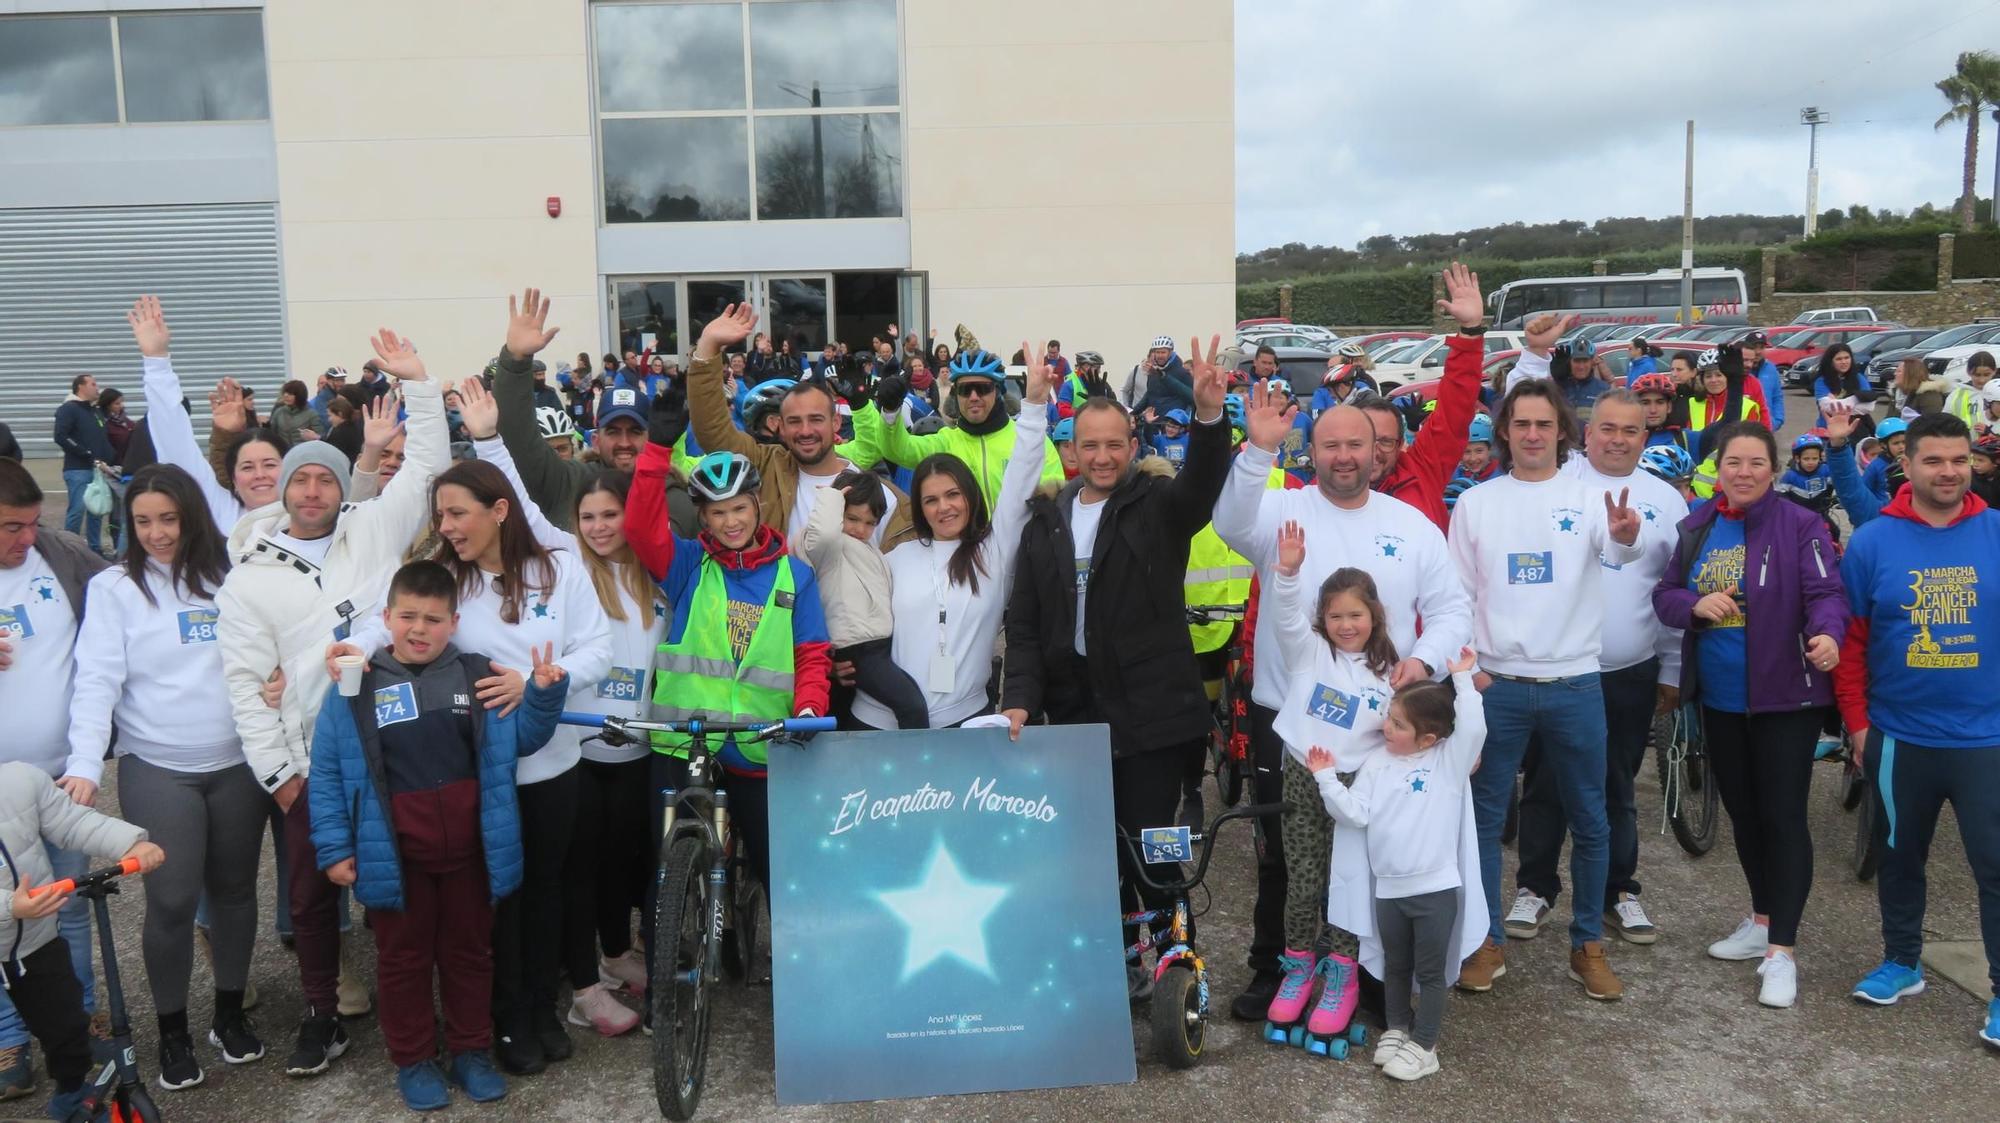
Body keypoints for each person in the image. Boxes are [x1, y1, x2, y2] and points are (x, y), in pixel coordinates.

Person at [214, 324, 446, 1077]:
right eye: (300, 480)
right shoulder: (249, 575)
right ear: (281, 490)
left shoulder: (371, 530)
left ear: (342, 484)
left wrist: (418, 381)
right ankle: (321, 1012)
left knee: (397, 880)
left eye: (325, 478)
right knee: (312, 898)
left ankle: (416, 1006)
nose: (313, 491)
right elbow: (247, 687)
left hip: (393, 743)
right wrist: (279, 775)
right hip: (313, 758)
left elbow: (429, 472)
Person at [1212, 383, 1471, 1020]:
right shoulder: (1282, 509)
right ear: (1313, 451)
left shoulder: (1410, 525)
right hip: (1291, 718)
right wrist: (1255, 451)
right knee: (1284, 852)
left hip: (1387, 730)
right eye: (1331, 445)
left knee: (1372, 854)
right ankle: (1274, 967)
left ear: (1381, 450)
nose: (1345, 455)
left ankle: (1373, 975)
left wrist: (1426, 662)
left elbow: (1451, 610)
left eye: (1357, 443)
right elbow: (1227, 522)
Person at [1002, 337, 1229, 995]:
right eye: (1088, 444)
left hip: (1153, 716)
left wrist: (1210, 418)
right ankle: (1113, 956)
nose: (1101, 456)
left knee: (1153, 846)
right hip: (1074, 709)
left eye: (1114, 444)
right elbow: (1023, 622)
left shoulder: (1158, 507)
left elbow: (1202, 487)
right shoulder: (1046, 519)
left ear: (1132, 445)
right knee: (1093, 849)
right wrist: (1020, 696)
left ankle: (1173, 959)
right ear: (1070, 449)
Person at [311, 561, 566, 1110]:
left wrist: (542, 696)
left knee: (470, 954)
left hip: (472, 851)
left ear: (453, 622)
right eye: (407, 617)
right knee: (402, 960)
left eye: (432, 619)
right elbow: (329, 772)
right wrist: (334, 848)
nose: (418, 629)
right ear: (386, 618)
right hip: (394, 855)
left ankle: (471, 1051)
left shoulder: (477, 674)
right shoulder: (354, 686)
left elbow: (520, 739)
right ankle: (414, 1058)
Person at [65, 465, 269, 1089]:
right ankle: (174, 1030)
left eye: (168, 519)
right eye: (143, 521)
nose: (156, 533)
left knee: (235, 893)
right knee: (173, 900)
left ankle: (229, 1015)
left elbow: (269, 648)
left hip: (238, 762)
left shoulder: (232, 578)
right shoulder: (114, 589)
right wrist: (82, 764)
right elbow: (96, 680)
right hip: (159, 766)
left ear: (192, 517)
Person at [1447, 378, 1644, 998]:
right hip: (1495, 686)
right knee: (1479, 821)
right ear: (1504, 431)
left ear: (1563, 432)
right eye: (1521, 424)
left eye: (1544, 424)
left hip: (1574, 685)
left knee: (1590, 819)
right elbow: (1456, 598)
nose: (1533, 435)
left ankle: (1587, 942)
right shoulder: (1476, 504)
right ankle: (1485, 941)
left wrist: (1626, 533)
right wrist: (1468, 673)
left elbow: (1617, 550)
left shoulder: (1592, 498)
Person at [624, 445, 830, 1024]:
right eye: (716, 513)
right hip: (685, 736)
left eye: (739, 508)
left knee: (776, 862)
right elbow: (640, 528)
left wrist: (810, 708)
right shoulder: (689, 564)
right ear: (701, 517)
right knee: (666, 863)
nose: (730, 521)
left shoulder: (795, 575)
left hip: (759, 742)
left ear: (758, 505)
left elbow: (811, 654)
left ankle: (802, 975)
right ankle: (667, 972)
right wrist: (655, 452)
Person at [1652, 422, 1845, 1009]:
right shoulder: (1698, 526)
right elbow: (1665, 594)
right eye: (1733, 463)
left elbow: (1827, 594)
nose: (1744, 473)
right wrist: (1694, 604)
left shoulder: (1801, 525)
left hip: (1788, 697)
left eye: (1756, 463)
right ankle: (1762, 919)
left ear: (1774, 469)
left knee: (1783, 817)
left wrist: (1828, 636)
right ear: (1719, 469)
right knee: (1743, 814)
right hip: (1722, 698)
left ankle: (1782, 953)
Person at [1831, 413, 2000, 1044]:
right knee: (1901, 859)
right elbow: (1850, 642)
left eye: (1959, 460)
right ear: (1908, 465)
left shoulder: (1995, 533)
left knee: (1995, 866)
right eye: (1934, 461)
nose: (1949, 472)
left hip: (1987, 739)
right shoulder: (1875, 541)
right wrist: (1856, 724)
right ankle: (1903, 962)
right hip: (1900, 737)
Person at [1509, 392, 1688, 948]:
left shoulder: (1669, 503)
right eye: (1606, 428)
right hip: (1555, 667)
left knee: (1617, 785)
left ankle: (1618, 891)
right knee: (1545, 784)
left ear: (1645, 437)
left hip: (1628, 670)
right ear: (1585, 434)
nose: (1617, 439)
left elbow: (1673, 592)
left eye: (1630, 431)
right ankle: (1536, 887)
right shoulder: (1558, 485)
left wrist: (1673, 669)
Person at [1305, 646, 1484, 1082]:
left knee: (1433, 972)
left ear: (1428, 738)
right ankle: (1398, 1029)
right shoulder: (1377, 762)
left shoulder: (1447, 762)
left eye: (1398, 724)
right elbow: (1356, 813)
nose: (1386, 726)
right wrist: (1327, 779)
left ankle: (1425, 1045)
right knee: (1394, 966)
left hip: (1434, 891)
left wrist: (1462, 679)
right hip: (1388, 890)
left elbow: (1473, 730)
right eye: (1389, 716)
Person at [853, 344, 1052, 732]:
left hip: (962, 718)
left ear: (970, 498)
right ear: (919, 508)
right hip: (880, 722)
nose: (943, 508)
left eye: (952, 495)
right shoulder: (893, 557)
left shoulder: (994, 552)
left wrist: (1034, 406)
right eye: (930, 499)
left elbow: (1020, 482)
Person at [0, 458, 111, 1098]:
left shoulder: (61, 553)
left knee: (66, 909)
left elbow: (138, 600)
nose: (25, 539)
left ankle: (80, 1020)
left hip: (61, 780)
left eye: (31, 524)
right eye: (11, 528)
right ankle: (9, 1039)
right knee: (3, 922)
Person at [1262, 541, 1397, 1042]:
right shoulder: (1310, 653)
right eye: (1335, 615)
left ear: (1375, 615)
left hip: (1354, 787)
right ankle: (1297, 971)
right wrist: (1290, 574)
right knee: (1302, 881)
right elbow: (1285, 615)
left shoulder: (1391, 672)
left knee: (1345, 886)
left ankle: (1342, 978)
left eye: (1356, 615)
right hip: (1301, 775)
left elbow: (1407, 728)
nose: (1346, 625)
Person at [0, 760, 163, 1121]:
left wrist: (129, 843)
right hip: (13, 922)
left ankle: (71, 1099)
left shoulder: (19, 780)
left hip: (32, 942)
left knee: (67, 1027)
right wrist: (10, 905)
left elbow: (71, 822)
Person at [690, 304, 915, 547]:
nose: (806, 431)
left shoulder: (882, 495)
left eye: (816, 419)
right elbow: (714, 433)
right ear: (780, 428)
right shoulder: (766, 466)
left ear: (836, 423)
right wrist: (708, 347)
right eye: (794, 421)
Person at [491, 290, 683, 534]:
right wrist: (516, 361)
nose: (624, 442)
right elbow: (517, 436)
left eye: (635, 431)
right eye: (613, 431)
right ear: (595, 438)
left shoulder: (674, 495)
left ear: (650, 436)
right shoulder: (567, 483)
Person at [1368, 263, 1526, 531]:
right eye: (1362, 440)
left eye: (1384, 441)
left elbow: (1455, 406)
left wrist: (1470, 330)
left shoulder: (1420, 470)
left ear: (1400, 445)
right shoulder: (1323, 490)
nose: (1373, 451)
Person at [856, 347, 1065, 513]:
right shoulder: (946, 442)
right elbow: (897, 449)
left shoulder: (1028, 439)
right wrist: (890, 412)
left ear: (998, 392)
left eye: (982, 388)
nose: (974, 396)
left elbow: (1053, 499)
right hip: (966, 558)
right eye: (965, 390)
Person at [797, 472, 929, 731]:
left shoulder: (871, 551)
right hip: (857, 648)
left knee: (841, 720)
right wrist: (831, 498)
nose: (860, 529)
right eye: (852, 518)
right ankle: (918, 766)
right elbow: (822, 534)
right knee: (912, 706)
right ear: (837, 513)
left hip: (875, 646)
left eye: (870, 523)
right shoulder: (829, 547)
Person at [53, 373, 118, 556]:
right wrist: (85, 452)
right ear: (80, 387)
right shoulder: (69, 409)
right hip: (78, 469)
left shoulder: (94, 411)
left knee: (96, 510)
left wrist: (109, 458)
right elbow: (61, 436)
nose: (97, 388)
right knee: (78, 508)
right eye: (93, 384)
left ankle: (94, 549)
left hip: (98, 468)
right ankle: (68, 550)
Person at [1121, 335, 1192, 420]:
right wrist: (1132, 412)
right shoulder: (1153, 372)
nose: (1160, 355)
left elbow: (1192, 397)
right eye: (1157, 352)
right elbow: (1149, 395)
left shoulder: (1182, 372)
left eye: (1163, 352)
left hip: (1173, 425)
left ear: (1170, 352)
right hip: (1153, 422)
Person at [1630, 372, 1688, 452]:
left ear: (1669, 407)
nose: (1653, 410)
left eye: (1659, 402)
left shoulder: (1685, 438)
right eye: (1645, 403)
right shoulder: (1625, 439)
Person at [1740, 331, 1784, 432]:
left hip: (1767, 427)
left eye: (1762, 347)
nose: (1758, 351)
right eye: (1755, 347)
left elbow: (1777, 397)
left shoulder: (1771, 369)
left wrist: (1778, 420)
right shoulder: (1740, 371)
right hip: (1743, 428)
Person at [1864, 417, 1910, 506]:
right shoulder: (1875, 466)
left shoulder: (1913, 462)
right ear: (1883, 445)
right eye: (1896, 443)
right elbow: (1864, 492)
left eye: (1904, 442)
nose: (1901, 447)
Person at [270, 381, 328, 447]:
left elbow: (320, 436)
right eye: (285, 393)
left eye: (290, 393)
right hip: (284, 452)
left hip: (303, 451)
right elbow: (273, 434)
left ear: (299, 395)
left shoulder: (311, 414)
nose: (286, 395)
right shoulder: (279, 412)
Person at [97, 389, 135, 465]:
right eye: (117, 403)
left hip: (129, 464)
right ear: (107, 405)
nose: (121, 406)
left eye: (122, 402)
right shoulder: (103, 423)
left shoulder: (125, 420)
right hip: (113, 465)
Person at [1971, 434, 2000, 507]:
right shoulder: (1970, 476)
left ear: (1996, 461)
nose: (1975, 464)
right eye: (1974, 459)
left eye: (1980, 460)